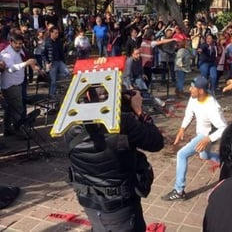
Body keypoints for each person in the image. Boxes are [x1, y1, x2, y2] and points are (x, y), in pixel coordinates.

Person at [66, 87, 164, 232]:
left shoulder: (68, 122)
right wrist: (138, 110)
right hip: (121, 207)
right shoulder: (123, 123)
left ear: (86, 93)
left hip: (89, 200)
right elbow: (156, 142)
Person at [161, 76, 227, 201]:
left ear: (201, 90)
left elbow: (223, 128)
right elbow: (189, 113)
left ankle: (179, 190)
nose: (190, 89)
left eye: (193, 87)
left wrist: (207, 139)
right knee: (204, 156)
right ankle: (226, 161)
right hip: (201, 134)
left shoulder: (212, 107)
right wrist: (182, 128)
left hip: (207, 135)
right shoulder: (194, 98)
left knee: (182, 154)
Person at [0, 34, 39, 136]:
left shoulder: (20, 50)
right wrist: (26, 63)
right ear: (11, 42)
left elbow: (29, 56)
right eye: (15, 43)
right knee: (18, 108)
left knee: (10, 109)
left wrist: (34, 65)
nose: (18, 45)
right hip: (11, 85)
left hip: (19, 84)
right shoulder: (6, 53)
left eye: (20, 43)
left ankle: (8, 129)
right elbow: (11, 68)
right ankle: (19, 130)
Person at [44, 26, 70, 96]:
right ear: (51, 33)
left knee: (67, 73)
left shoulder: (59, 41)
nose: (57, 34)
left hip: (60, 61)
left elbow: (61, 51)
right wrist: (47, 62)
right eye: (55, 33)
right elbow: (43, 54)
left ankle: (62, 87)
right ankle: (52, 94)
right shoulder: (47, 42)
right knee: (53, 80)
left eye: (58, 33)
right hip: (52, 62)